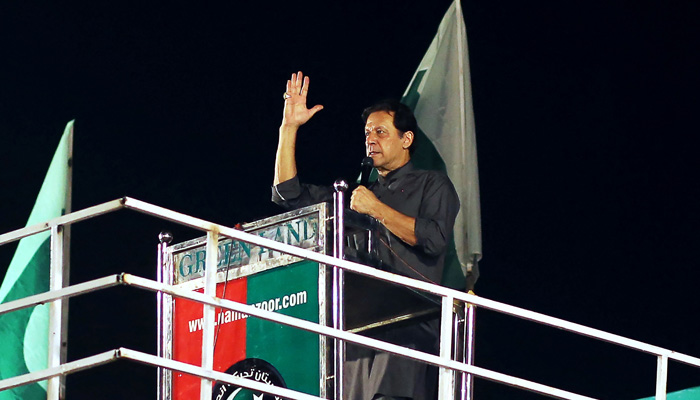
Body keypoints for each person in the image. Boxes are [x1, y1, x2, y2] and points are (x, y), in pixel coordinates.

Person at [271, 71, 460, 400]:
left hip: (407, 329)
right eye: (367, 132)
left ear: (407, 139)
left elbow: (433, 238)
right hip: (356, 330)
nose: (370, 138)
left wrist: (376, 209)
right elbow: (289, 194)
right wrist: (289, 129)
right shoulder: (357, 194)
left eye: (381, 132)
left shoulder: (433, 184)